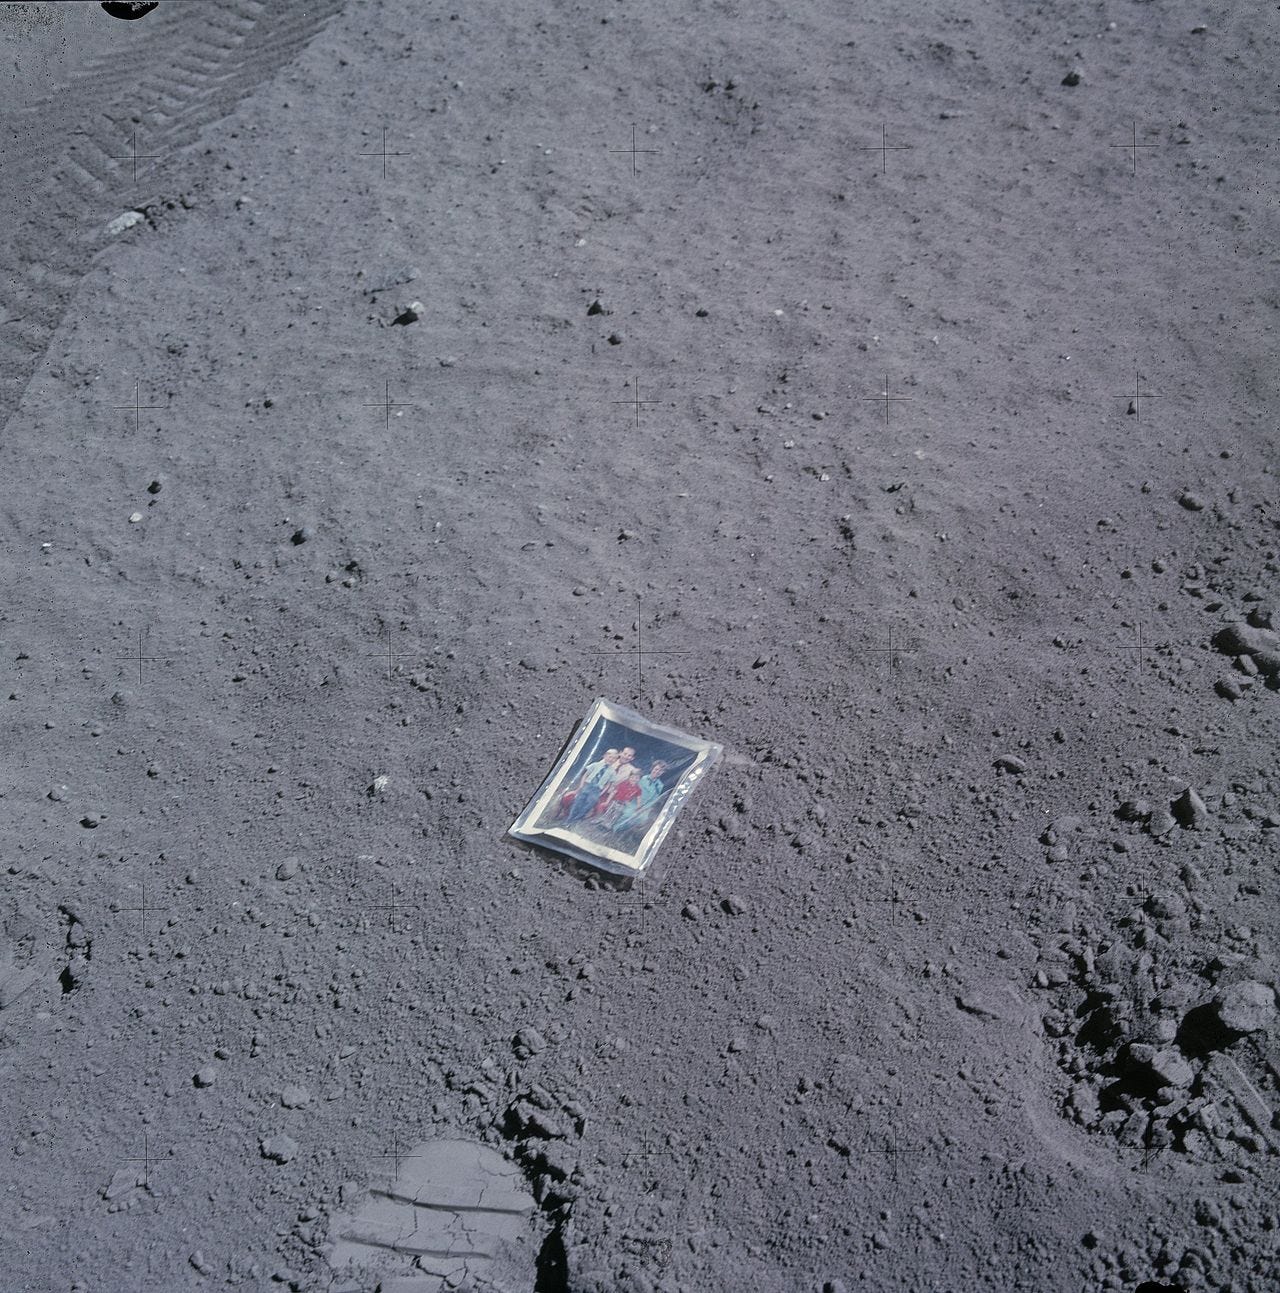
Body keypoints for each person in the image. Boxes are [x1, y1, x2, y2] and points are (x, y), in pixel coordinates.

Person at [563, 748, 621, 825]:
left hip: (597, 789)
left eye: (614, 758)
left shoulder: (612, 772)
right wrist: (581, 785)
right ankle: (569, 819)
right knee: (578, 802)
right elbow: (585, 775)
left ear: (616, 760)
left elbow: (608, 784)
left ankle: (576, 820)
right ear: (604, 756)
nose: (611, 759)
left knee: (589, 804)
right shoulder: (595, 765)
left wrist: (601, 792)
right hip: (587, 785)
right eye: (610, 757)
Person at [611, 759, 668, 833]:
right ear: (652, 768)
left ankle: (622, 830)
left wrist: (645, 809)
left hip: (644, 807)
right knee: (628, 813)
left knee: (642, 818)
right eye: (656, 769)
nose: (657, 772)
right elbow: (630, 789)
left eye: (660, 771)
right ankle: (614, 828)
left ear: (663, 772)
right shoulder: (641, 778)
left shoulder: (660, 785)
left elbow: (654, 799)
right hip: (632, 802)